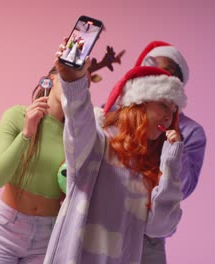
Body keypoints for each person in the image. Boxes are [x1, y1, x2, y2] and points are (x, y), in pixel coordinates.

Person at [44, 42, 188, 263]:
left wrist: (171, 163)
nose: (170, 116)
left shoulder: (153, 166)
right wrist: (74, 81)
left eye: (173, 109)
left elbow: (160, 227)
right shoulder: (98, 141)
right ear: (139, 102)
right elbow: (78, 119)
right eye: (163, 105)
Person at [0, 67, 65, 263]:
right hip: (5, 230)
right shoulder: (17, 115)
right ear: (51, 79)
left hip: (47, 236)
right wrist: (26, 134)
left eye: (84, 83)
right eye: (70, 77)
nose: (76, 85)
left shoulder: (75, 137)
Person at [135, 41, 207, 264]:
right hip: (106, 227)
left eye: (166, 73)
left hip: (149, 238)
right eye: (152, 69)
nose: (158, 77)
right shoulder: (116, 115)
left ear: (178, 83)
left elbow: (183, 187)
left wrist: (174, 139)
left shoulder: (190, 132)